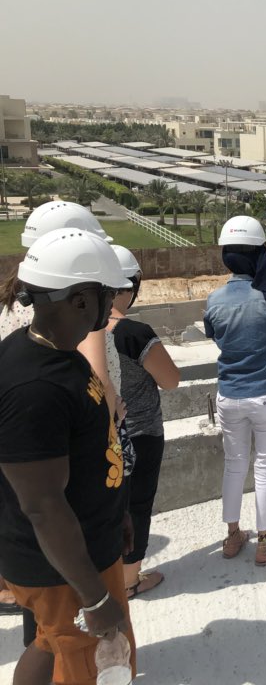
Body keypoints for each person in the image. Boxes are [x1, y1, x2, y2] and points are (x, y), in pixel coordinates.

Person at [0, 227, 136, 685]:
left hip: (84, 547)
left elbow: (87, 450)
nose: (113, 304)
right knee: (84, 662)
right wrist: (94, 599)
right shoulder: (34, 388)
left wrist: (115, 510)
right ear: (80, 300)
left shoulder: (59, 353)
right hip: (65, 570)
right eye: (107, 295)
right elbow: (42, 506)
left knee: (49, 641)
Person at [204, 216, 266, 567]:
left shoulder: (214, 300)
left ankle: (233, 536)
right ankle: (265, 544)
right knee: (265, 468)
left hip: (230, 394)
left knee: (234, 465)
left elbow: (216, 337)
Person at [108, 246, 180, 597]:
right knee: (136, 505)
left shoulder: (77, 330)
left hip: (94, 435)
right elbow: (170, 379)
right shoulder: (133, 333)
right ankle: (129, 581)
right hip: (139, 434)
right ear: (129, 286)